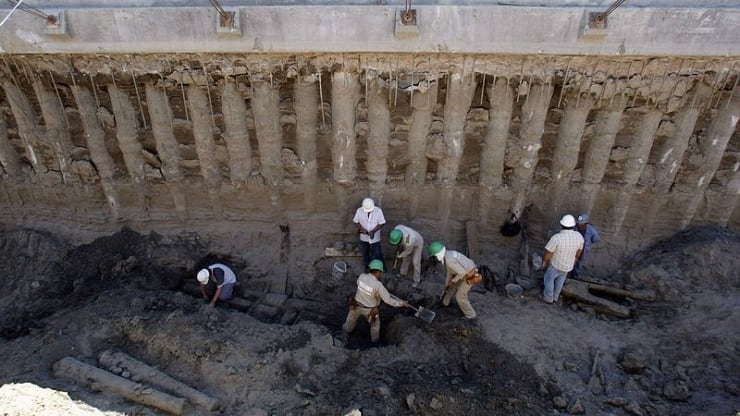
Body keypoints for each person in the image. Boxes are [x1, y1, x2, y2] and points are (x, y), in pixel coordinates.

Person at [342, 259, 408, 343]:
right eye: (380, 272)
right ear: (378, 272)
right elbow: (388, 300)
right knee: (375, 326)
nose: (380, 274)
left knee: (350, 321)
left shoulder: (362, 276)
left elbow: (359, 284)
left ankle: (345, 332)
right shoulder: (378, 285)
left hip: (356, 305)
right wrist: (401, 303)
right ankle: (375, 342)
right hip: (369, 310)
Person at [428, 242, 480, 320]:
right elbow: (450, 272)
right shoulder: (448, 254)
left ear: (438, 255)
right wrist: (447, 286)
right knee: (451, 287)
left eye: (434, 256)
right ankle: (445, 303)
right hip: (464, 271)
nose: (435, 259)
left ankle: (471, 315)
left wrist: (453, 281)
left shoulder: (449, 261)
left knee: (460, 296)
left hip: (471, 274)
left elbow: (462, 273)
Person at [540, 214, 584, 304]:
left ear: (562, 225)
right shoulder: (579, 236)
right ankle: (555, 297)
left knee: (549, 280)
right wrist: (575, 259)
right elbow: (579, 251)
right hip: (568, 266)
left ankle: (548, 298)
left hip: (556, 265)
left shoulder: (557, 238)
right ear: (573, 225)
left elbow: (549, 253)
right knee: (560, 281)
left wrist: (544, 262)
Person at [353, 197, 386, 270]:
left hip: (375, 238)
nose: (368, 212)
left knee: (378, 254)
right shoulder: (359, 211)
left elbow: (382, 223)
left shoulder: (378, 211)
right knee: (365, 254)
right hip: (364, 238)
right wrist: (362, 229)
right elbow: (356, 222)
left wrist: (373, 231)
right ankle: (367, 268)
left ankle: (381, 269)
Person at [572, 213, 601, 278]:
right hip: (574, 247)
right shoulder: (574, 227)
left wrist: (588, 244)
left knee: (579, 262)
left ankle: (575, 276)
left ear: (586, 224)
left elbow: (596, 239)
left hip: (584, 249)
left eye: (580, 224)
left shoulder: (592, 231)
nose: (578, 225)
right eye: (578, 223)